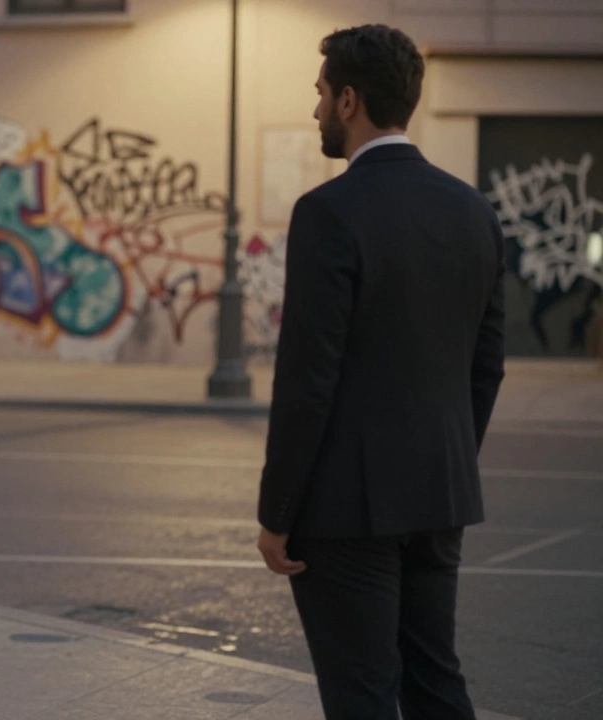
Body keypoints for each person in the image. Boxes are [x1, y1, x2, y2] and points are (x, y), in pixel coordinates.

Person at [255, 24, 505, 720]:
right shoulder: (474, 211)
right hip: (440, 495)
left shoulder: (328, 212)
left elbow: (308, 377)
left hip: (345, 511)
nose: (314, 111)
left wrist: (276, 515)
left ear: (348, 101)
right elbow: (488, 366)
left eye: (320, 93)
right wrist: (445, 462)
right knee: (434, 682)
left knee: (361, 693)